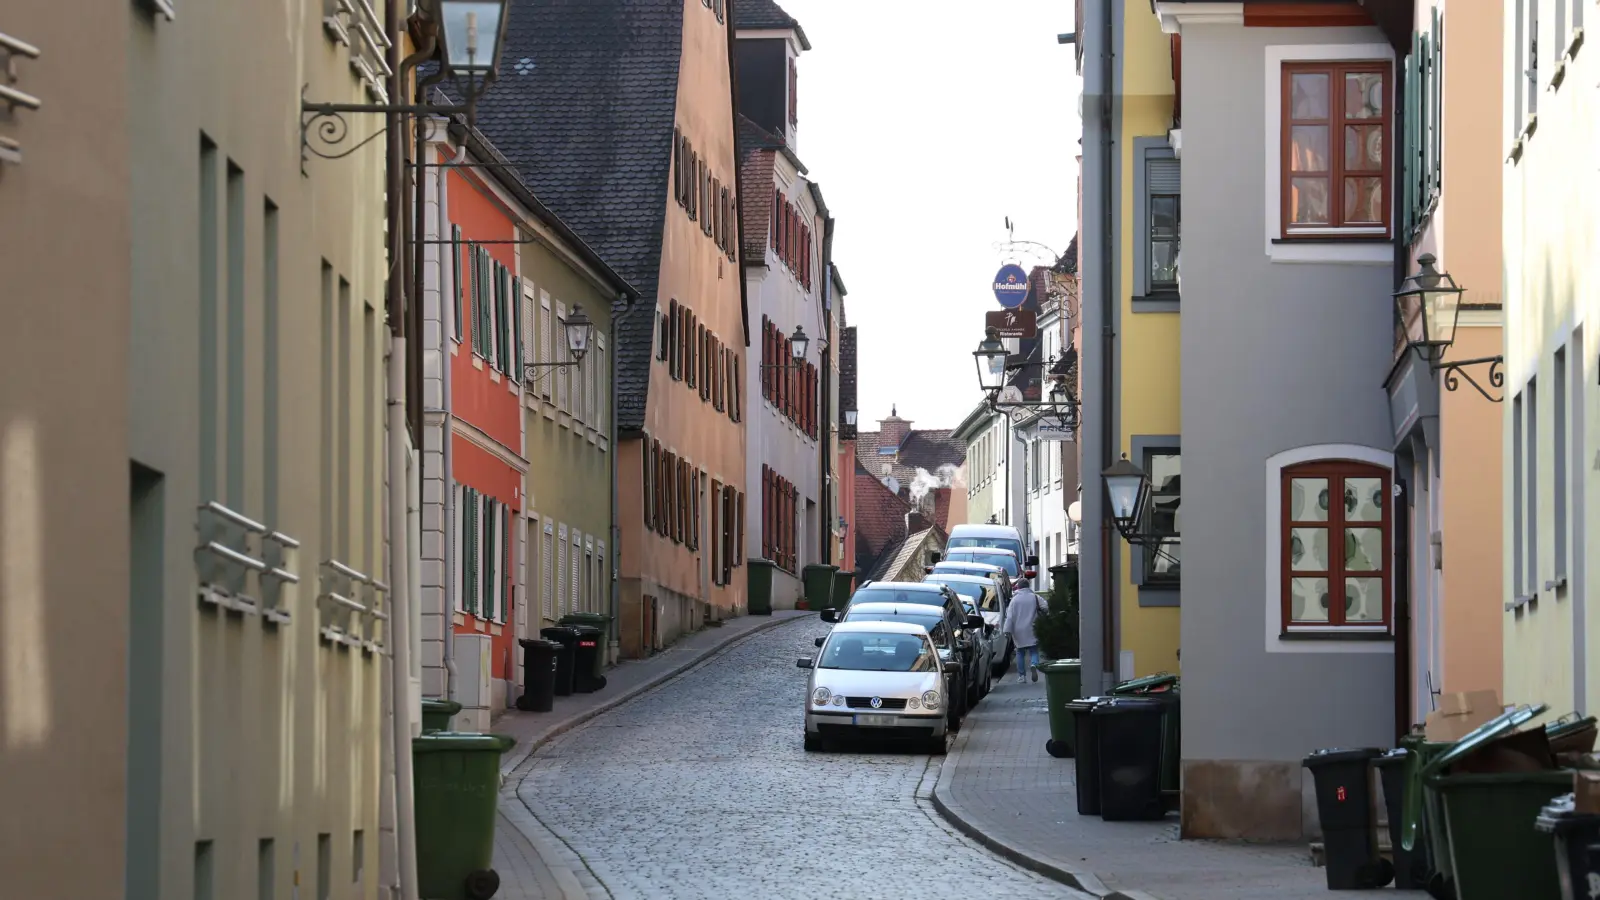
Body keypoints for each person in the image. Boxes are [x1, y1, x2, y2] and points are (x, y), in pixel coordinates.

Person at [1003, 578, 1047, 683]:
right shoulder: (1035, 597)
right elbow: (1045, 606)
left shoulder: (1014, 600)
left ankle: (1022, 676)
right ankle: (1034, 664)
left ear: (1018, 587)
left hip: (1018, 630)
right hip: (1033, 627)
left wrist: (1007, 631)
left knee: (1020, 652)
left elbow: (1010, 617)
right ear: (1028, 586)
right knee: (1034, 650)